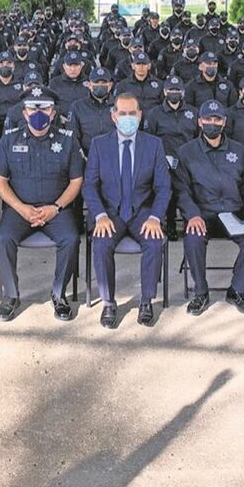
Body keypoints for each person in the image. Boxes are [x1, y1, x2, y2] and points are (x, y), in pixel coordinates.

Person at [0, 86, 85, 322]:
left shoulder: (68, 140)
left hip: (56, 210)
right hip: (19, 210)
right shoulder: (9, 139)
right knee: (3, 238)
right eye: (33, 109)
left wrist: (55, 208)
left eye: (44, 108)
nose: (38, 113)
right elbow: (0, 181)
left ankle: (59, 294)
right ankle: (11, 295)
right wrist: (22, 208)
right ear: (24, 113)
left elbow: (76, 181)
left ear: (53, 113)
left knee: (71, 238)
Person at [82, 92, 171, 328]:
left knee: (154, 242)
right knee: (101, 243)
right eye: (123, 113)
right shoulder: (99, 144)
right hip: (110, 213)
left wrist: (155, 217)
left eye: (132, 113)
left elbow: (164, 187)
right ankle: (108, 302)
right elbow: (89, 186)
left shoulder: (154, 145)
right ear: (114, 116)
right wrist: (100, 215)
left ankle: (146, 301)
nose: (128, 118)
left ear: (140, 115)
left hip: (142, 212)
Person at [174, 99, 244, 317]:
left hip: (234, 211)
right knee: (193, 239)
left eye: (217, 119)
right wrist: (192, 215)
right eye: (208, 119)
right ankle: (201, 292)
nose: (212, 123)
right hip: (203, 213)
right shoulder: (186, 152)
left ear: (224, 122)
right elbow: (182, 191)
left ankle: (237, 289)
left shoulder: (239, 151)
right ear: (200, 121)